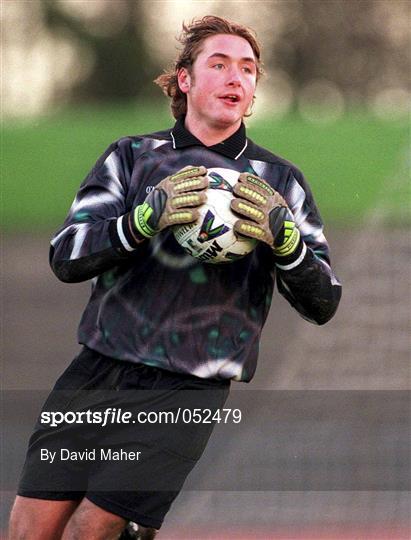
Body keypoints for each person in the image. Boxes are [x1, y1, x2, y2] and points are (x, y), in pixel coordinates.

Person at [9, 15, 341, 540]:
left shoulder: (279, 182)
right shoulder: (132, 157)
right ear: (184, 79)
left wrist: (287, 242)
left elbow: (324, 301)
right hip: (98, 370)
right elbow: (65, 256)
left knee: (90, 530)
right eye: (220, 64)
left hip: (188, 386)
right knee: (32, 529)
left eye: (249, 69)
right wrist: (140, 222)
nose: (237, 77)